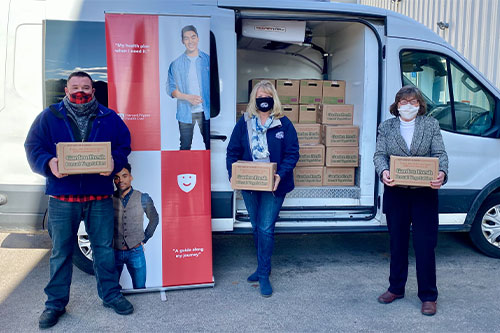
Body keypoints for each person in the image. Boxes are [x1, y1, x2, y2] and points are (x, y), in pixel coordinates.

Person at [24, 71, 133, 329]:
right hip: (63, 196)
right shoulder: (49, 116)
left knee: (104, 249)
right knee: (61, 252)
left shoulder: (109, 117)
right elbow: (33, 147)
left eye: (86, 86)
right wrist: (48, 163)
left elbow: (124, 146)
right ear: (66, 89)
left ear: (93, 90)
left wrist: (114, 163)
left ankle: (111, 295)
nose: (80, 91)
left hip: (99, 195)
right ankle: (55, 304)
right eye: (75, 87)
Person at [373, 85, 448, 316]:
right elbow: (379, 155)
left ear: (420, 105)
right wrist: (384, 171)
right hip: (396, 192)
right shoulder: (386, 127)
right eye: (403, 102)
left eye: (413, 102)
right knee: (397, 243)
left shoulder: (431, 124)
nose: (408, 106)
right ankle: (396, 288)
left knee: (425, 246)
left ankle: (428, 295)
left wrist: (441, 174)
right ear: (396, 105)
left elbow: (440, 154)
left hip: (424, 194)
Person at [226, 80, 300, 297]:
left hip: (274, 184)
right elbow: (232, 151)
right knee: (257, 226)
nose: (263, 99)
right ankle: (261, 267)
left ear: (273, 98)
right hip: (250, 183)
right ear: (254, 99)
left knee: (266, 227)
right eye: (260, 95)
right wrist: (233, 175)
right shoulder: (245, 122)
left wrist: (280, 174)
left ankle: (264, 273)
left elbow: (292, 153)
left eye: (267, 95)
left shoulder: (283, 124)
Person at [113, 163, 159, 289]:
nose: (120, 180)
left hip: (136, 251)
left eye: (124, 176)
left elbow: (154, 218)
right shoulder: (109, 198)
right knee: (113, 288)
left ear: (131, 177)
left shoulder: (143, 198)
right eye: (117, 177)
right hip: (114, 251)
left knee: (140, 288)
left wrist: (144, 239)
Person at [167, 24, 210, 150]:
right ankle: (184, 170)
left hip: (205, 112)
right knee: (185, 147)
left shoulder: (208, 60)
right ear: (182, 41)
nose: (190, 41)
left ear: (198, 38)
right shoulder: (176, 64)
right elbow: (170, 88)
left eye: (193, 37)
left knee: (209, 146)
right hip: (185, 112)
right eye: (186, 38)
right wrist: (187, 97)